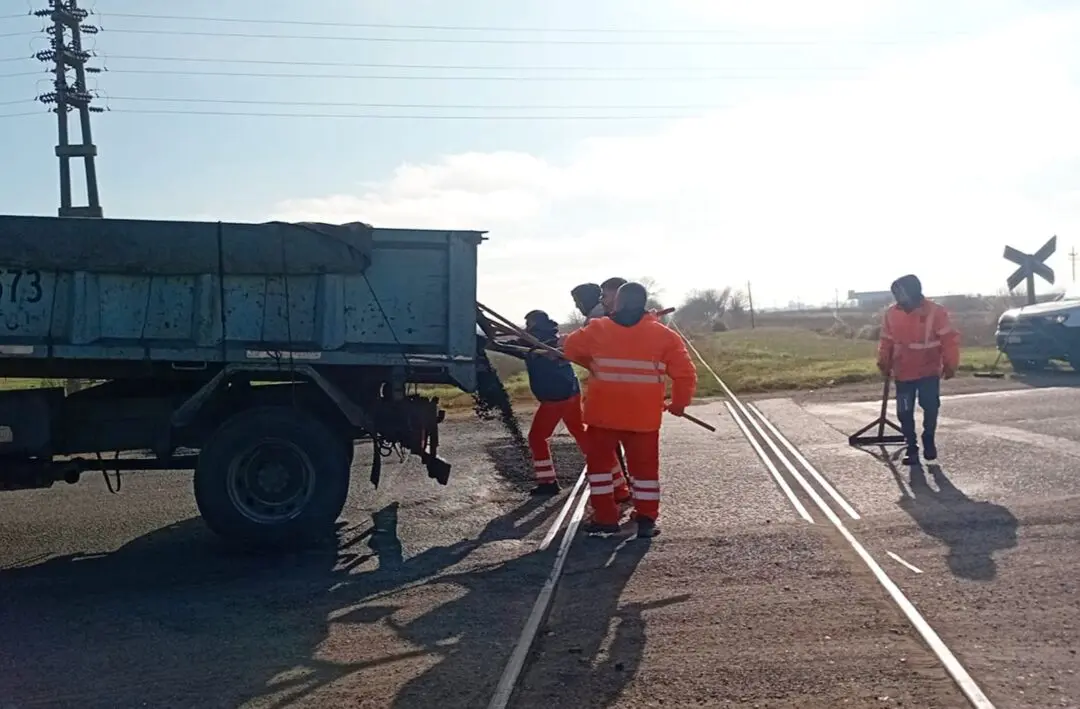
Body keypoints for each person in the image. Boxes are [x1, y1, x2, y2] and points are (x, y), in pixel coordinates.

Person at [562, 281, 698, 538]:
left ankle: (605, 517)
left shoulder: (598, 328)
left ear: (618, 302)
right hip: (643, 418)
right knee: (645, 471)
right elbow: (685, 375)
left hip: (603, 416)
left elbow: (570, 349)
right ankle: (646, 518)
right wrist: (679, 404)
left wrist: (593, 362)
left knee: (600, 469)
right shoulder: (665, 336)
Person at [487, 311, 590, 494]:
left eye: (529, 323)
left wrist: (487, 342)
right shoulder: (549, 339)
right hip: (572, 391)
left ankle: (548, 482)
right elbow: (513, 347)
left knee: (537, 438)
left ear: (535, 323)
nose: (527, 327)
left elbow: (512, 347)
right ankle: (599, 465)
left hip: (556, 397)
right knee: (578, 430)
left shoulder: (539, 343)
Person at [876, 274, 960, 465]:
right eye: (895, 294)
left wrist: (951, 363)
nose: (898, 298)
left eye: (901, 293)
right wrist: (883, 361)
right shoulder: (891, 313)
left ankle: (928, 438)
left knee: (930, 405)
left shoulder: (935, 311)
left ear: (913, 292)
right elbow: (886, 340)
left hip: (928, 369)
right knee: (904, 411)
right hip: (903, 370)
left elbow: (949, 339)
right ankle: (911, 447)